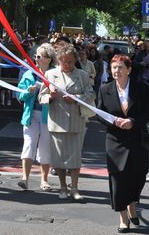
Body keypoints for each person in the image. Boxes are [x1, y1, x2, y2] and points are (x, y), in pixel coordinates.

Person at [97, 55, 149, 233]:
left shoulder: (142, 88)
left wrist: (133, 121)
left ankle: (132, 204)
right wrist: (114, 122)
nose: (117, 71)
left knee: (139, 175)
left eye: (120, 67)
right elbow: (100, 113)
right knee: (118, 179)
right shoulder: (105, 89)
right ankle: (123, 217)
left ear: (129, 69)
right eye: (114, 67)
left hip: (137, 139)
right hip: (115, 141)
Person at [39, 44, 95, 202]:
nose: (67, 65)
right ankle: (63, 187)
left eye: (70, 61)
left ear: (75, 60)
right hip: (57, 121)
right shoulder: (50, 75)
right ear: (58, 60)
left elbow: (91, 94)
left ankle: (75, 188)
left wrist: (76, 99)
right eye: (64, 61)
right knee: (59, 158)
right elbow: (40, 97)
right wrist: (49, 96)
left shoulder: (83, 75)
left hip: (76, 122)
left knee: (75, 157)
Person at [16, 43, 54, 191]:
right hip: (30, 116)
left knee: (45, 148)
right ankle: (25, 178)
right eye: (35, 56)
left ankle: (44, 180)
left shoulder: (54, 75)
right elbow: (19, 95)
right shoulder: (29, 74)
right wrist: (29, 91)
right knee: (29, 145)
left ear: (48, 59)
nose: (35, 59)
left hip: (48, 117)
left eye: (39, 56)